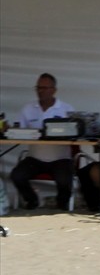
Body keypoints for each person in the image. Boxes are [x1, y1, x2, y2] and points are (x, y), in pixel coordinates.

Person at [11, 73, 74, 210]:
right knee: (17, 175)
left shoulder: (66, 109)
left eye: (45, 88)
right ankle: (32, 200)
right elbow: (17, 129)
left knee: (65, 180)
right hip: (35, 158)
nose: (41, 91)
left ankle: (62, 205)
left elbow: (75, 133)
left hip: (60, 158)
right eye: (38, 88)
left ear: (54, 90)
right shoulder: (28, 108)